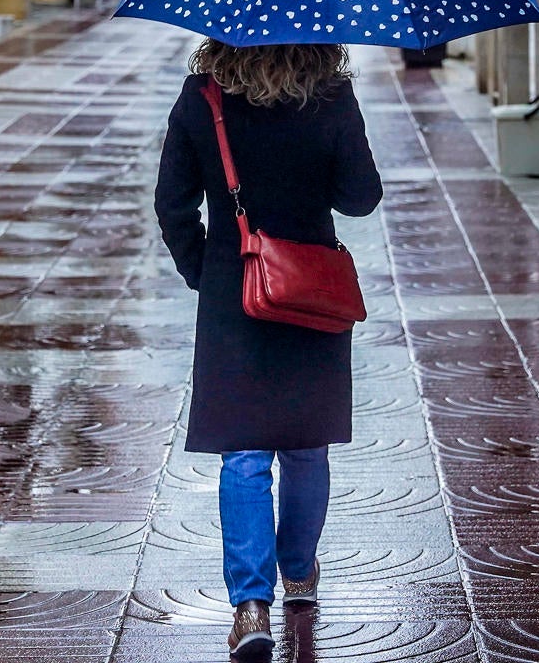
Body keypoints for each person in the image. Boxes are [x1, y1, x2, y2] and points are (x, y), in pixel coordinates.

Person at [154, 39, 384, 660]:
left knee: (245, 455)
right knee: (307, 447)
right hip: (313, 293)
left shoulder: (203, 97)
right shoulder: (331, 94)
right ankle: (300, 575)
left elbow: (172, 203)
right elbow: (361, 197)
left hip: (235, 293)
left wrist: (207, 269)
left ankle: (250, 605)